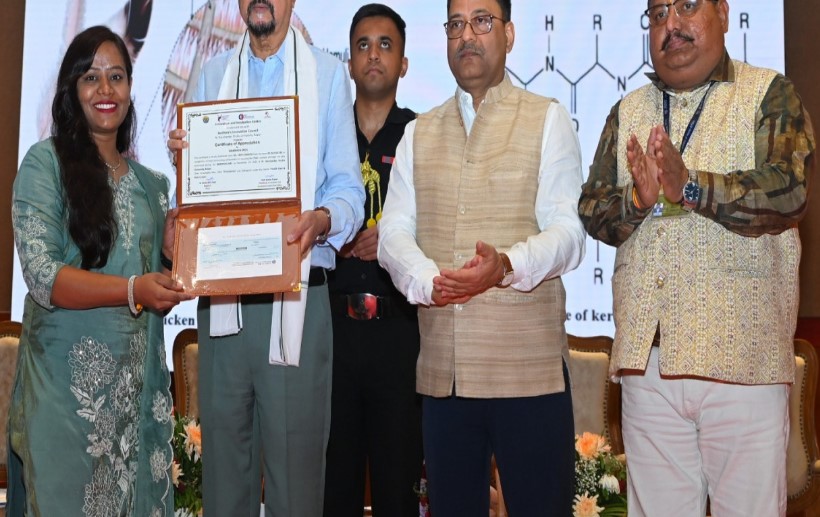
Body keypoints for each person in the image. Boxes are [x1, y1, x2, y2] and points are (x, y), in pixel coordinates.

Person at [578, 0, 815, 515]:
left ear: (723, 14)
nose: (671, 25)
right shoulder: (627, 110)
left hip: (745, 366)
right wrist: (638, 199)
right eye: (658, 13)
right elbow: (592, 210)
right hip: (649, 367)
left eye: (686, 6)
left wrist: (690, 187)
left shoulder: (769, 93)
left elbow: (787, 191)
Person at [377, 0, 586, 514]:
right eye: (456, 24)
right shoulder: (418, 132)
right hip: (444, 380)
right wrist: (428, 282)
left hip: (528, 373)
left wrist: (506, 266)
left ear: (509, 35)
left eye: (482, 21)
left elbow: (569, 233)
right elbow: (393, 233)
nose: (467, 35)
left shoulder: (547, 118)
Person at [167, 0, 364, 515]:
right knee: (224, 478)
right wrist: (181, 176)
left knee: (296, 483)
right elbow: (192, 194)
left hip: (297, 295)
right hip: (223, 304)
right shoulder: (211, 76)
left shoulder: (327, 75)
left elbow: (348, 190)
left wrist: (322, 219)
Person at [8, 25, 191, 516]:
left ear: (131, 87)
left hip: (134, 404)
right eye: (90, 77)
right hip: (66, 400)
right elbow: (43, 277)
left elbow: (158, 279)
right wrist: (133, 289)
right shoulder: (44, 165)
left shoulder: (153, 186)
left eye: (116, 76)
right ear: (71, 89)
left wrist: (171, 257)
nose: (105, 89)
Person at [323, 5, 422, 517]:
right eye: (362, 44)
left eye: (386, 44)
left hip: (398, 336)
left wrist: (397, 237)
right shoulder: (325, 136)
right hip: (331, 335)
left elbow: (444, 224)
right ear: (349, 61)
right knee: (333, 490)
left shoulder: (422, 135)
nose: (374, 54)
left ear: (403, 63)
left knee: (396, 488)